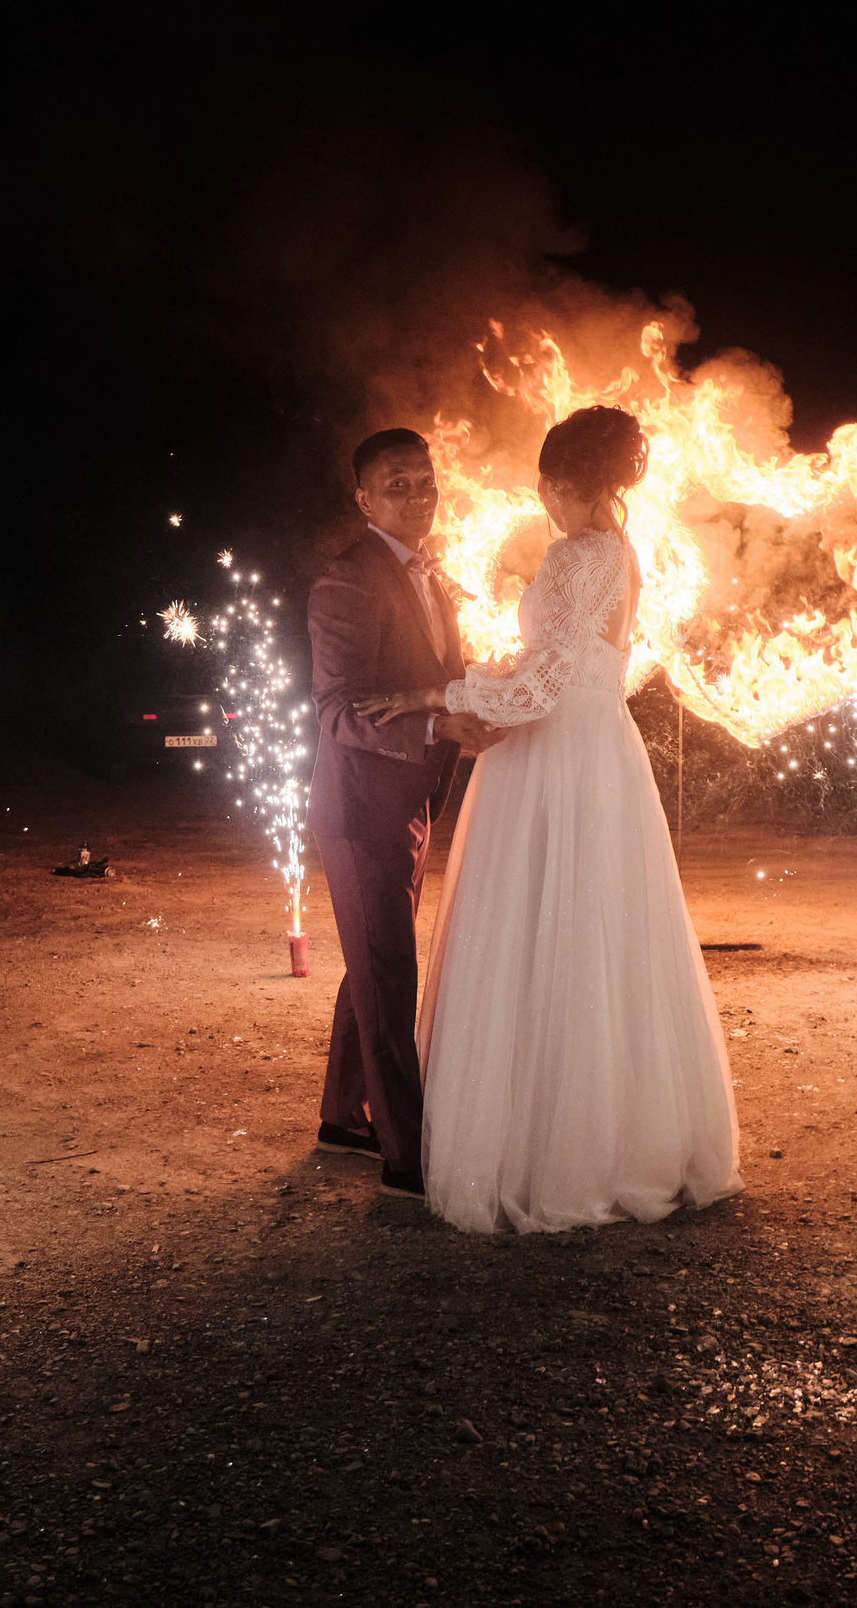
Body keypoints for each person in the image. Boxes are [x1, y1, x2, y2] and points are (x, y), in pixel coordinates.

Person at [356, 406, 742, 1233]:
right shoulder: (622, 553)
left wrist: (437, 692)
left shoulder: (576, 555)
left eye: (547, 490)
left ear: (566, 483)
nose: (545, 504)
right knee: (602, 936)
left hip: (555, 756)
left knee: (542, 930)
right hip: (602, 751)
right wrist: (503, 673)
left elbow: (541, 689)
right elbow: (575, 666)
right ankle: (623, 1135)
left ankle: (548, 1151)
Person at [305, 429, 501, 1201]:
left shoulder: (429, 570)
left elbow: (439, 673)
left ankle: (342, 1116)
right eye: (398, 485)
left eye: (426, 482)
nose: (418, 496)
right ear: (364, 499)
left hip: (408, 802)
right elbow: (337, 710)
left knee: (375, 957)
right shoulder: (345, 580)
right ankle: (407, 1157)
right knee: (388, 969)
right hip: (361, 807)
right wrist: (434, 727)